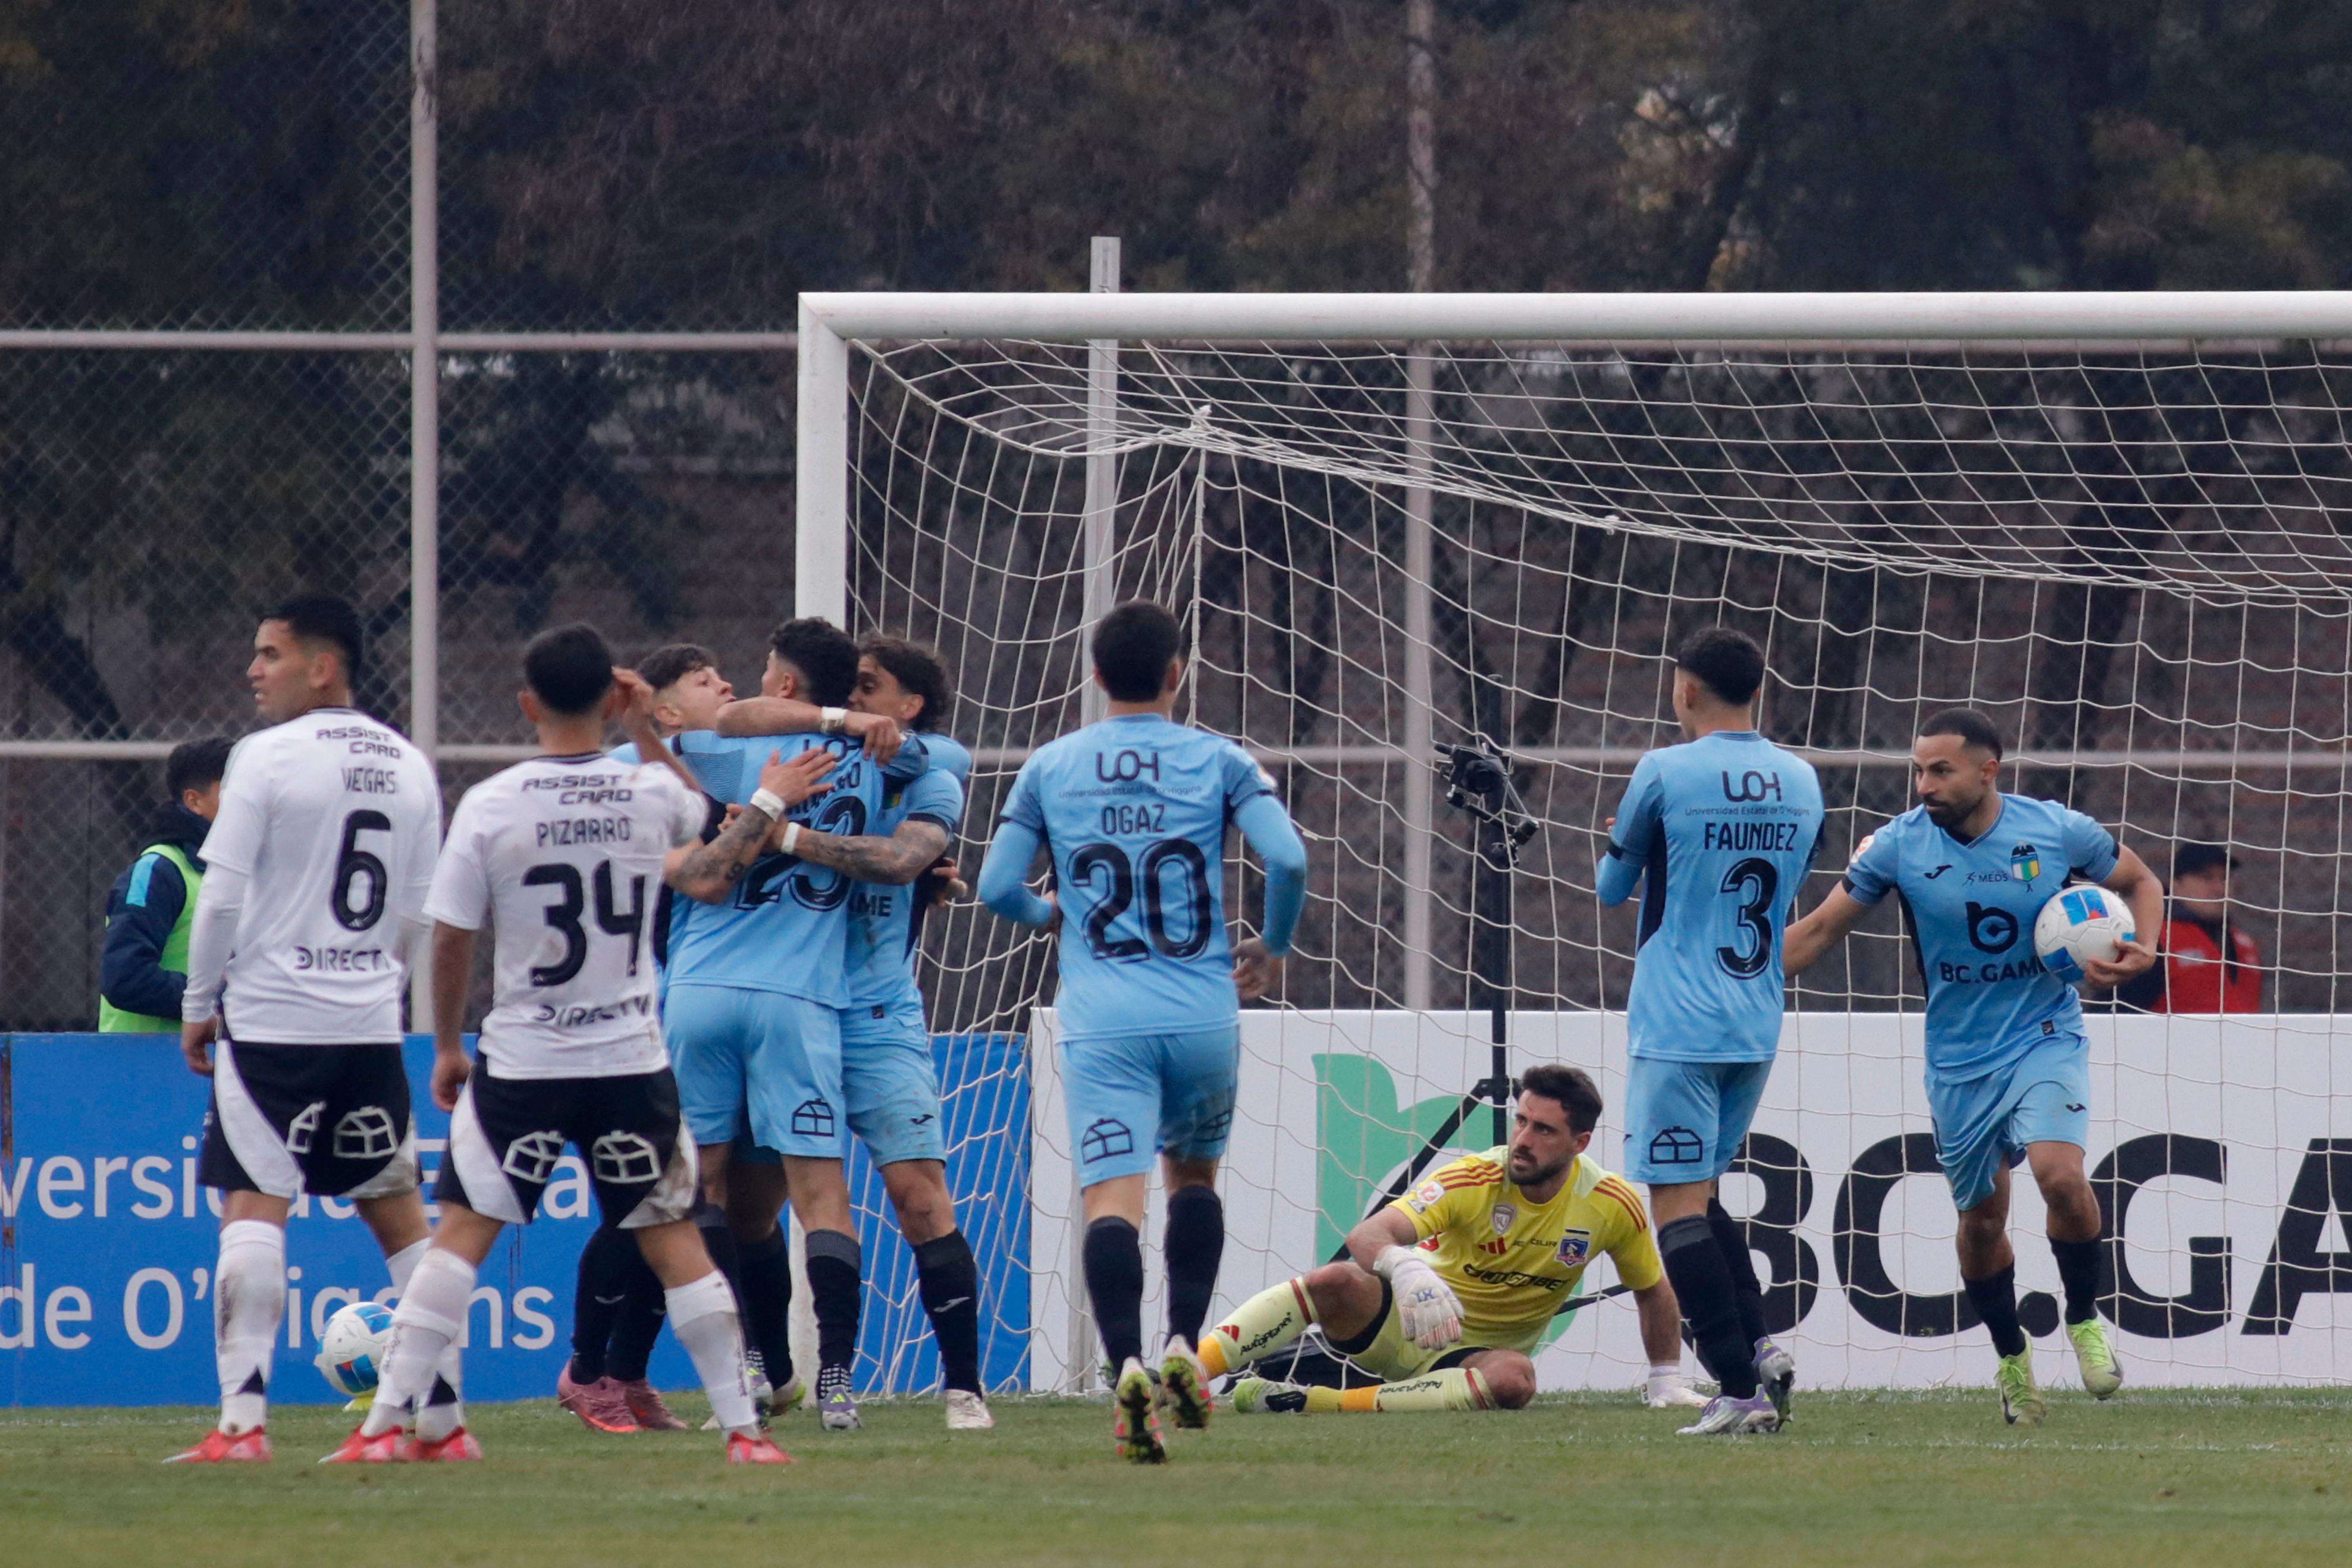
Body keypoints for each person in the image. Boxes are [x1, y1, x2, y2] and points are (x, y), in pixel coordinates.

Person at [324, 623, 822, 1465]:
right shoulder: (649, 795)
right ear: (612, 696)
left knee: (462, 1237)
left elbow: (452, 935)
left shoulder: (494, 800)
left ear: (526, 704)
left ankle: (386, 1428)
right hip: (629, 1053)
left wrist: (447, 1042)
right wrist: (642, 729)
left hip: (526, 1057)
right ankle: (745, 1432)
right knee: (674, 1235)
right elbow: (705, 843)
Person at [977, 599, 1308, 1464]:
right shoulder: (1220, 758)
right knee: (1193, 1176)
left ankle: (1123, 1363)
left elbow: (995, 887)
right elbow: (1292, 858)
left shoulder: (1051, 765)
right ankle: (1179, 1346)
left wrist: (1055, 913)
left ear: (1093, 675)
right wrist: (1270, 947)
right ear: (1176, 673)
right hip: (1200, 1009)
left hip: (1104, 1016)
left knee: (1111, 1196)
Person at [1783, 708, 2163, 1425]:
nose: (1924, 784)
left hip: (2045, 1033)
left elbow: (2141, 882)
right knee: (1983, 1221)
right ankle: (2013, 1359)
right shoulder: (1896, 847)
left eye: (1940, 770)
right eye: (1918, 770)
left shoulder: (2054, 830)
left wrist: (2145, 945)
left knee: (2060, 1176)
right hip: (1958, 1060)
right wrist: (1741, 973)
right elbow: (1821, 930)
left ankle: (2083, 1317)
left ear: (1988, 770)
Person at [167, 593, 446, 1464]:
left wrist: (197, 1002)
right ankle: (442, 1419)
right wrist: (378, 986)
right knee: (400, 1219)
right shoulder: (409, 763)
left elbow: (222, 895)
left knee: (254, 1208)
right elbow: (417, 913)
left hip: (273, 1022)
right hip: (368, 1022)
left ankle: (243, 1424)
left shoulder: (265, 756)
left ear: (323, 665)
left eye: (270, 654)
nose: (254, 670)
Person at [663, 617, 935, 1433]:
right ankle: (838, 1382)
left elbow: (722, 720)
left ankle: (741, 1370)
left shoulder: (732, 750)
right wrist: (856, 724)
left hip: (702, 986)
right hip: (802, 998)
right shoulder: (897, 757)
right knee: (822, 1195)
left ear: (782, 684)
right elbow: (924, 775)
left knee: (702, 1186)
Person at [719, 633, 989, 1430]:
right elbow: (736, 715)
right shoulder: (804, 753)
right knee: (751, 1207)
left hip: (877, 1012)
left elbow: (903, 859)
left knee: (920, 1197)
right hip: (790, 1004)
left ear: (907, 706)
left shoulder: (931, 773)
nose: (854, 697)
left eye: (869, 686)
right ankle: (770, 1372)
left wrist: (790, 837)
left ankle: (964, 1387)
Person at [1595, 626, 1824, 1437]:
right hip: (1755, 1015)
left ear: (1683, 689)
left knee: (1675, 1205)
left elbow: (1612, 888)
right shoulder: (1801, 778)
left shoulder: (1665, 769)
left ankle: (1737, 1385)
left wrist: (1631, 831)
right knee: (1703, 1189)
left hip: (1679, 1018)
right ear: (1756, 692)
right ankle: (1760, 1348)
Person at [1202, 1065, 1686, 1416]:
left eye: (1543, 1130)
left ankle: (1312, 1402)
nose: (1523, 1139)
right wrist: (1407, 1271)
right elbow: (1367, 1233)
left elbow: (1653, 1289)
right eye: (1521, 1121)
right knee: (1334, 1278)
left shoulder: (1610, 1203)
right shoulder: (1475, 1177)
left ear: (1579, 1143)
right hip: (1403, 1321)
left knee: (1515, 1380)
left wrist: (1665, 1378)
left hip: (1470, 1357)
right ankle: (1189, 1374)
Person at [556, 642, 734, 1436]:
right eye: (705, 679)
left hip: (654, 1019)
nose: (727, 686)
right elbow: (707, 852)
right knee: (639, 1203)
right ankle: (586, 1369)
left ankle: (623, 1372)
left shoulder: (678, 768)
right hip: (598, 1025)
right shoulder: (622, 778)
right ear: (659, 709)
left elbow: (706, 819)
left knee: (675, 1202)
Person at [100, 736, 234, 1033]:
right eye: (231, 789)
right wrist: (225, 997)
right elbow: (125, 978)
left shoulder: (237, 873)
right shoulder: (160, 871)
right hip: (144, 1067)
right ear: (194, 801)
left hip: (209, 1063)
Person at [2114, 842, 2263, 1013]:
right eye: (2207, 878)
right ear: (2176, 884)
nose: (2220, 889)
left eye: (2225, 878)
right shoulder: (2154, 939)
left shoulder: (2245, 945)